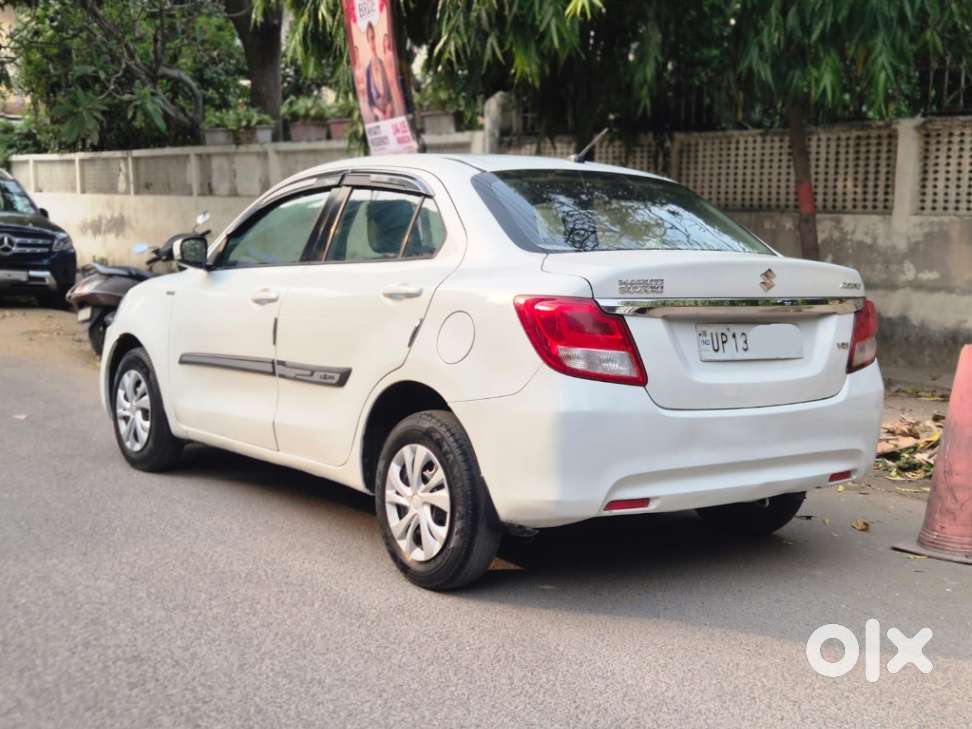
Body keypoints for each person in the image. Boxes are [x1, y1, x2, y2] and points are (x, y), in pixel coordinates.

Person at [365, 22, 393, 120]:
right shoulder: (368, 70)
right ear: (367, 42)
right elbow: (369, 100)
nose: (372, 43)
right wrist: (378, 113)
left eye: (373, 38)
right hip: (378, 117)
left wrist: (389, 106)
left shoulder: (383, 63)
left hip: (390, 112)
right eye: (369, 39)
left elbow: (390, 87)